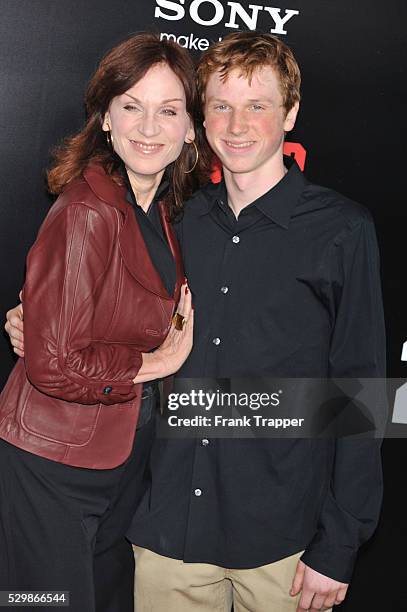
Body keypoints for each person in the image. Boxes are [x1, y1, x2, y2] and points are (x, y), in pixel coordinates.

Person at [6, 32, 386, 612]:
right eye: (221, 105)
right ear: (201, 120)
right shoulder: (172, 220)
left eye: (257, 104)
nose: (237, 125)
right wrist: (32, 323)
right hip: (162, 536)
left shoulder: (342, 230)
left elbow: (362, 394)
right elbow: (92, 304)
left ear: (291, 112)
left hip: (280, 541)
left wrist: (338, 544)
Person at [0, 32, 211, 612]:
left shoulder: (159, 208)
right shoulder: (89, 210)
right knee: (40, 603)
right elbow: (54, 365)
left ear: (191, 128)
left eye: (168, 110)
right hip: (54, 465)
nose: (149, 128)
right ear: (106, 120)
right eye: (131, 107)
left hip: (119, 459)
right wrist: (158, 362)